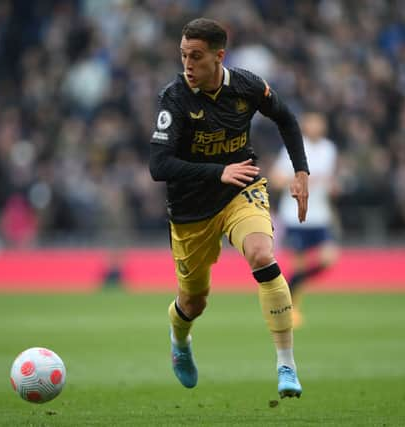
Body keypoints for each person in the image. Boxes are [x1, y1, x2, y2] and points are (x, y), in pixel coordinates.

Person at [149, 18, 309, 398]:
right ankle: (179, 339)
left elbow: (285, 117)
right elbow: (158, 166)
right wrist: (218, 171)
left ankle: (286, 364)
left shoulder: (247, 86)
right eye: (184, 55)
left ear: (219, 56)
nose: (188, 64)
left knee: (261, 253)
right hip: (191, 209)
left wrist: (301, 170)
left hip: (242, 188)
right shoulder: (174, 98)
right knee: (194, 300)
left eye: (197, 56)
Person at [270, 112, 340, 328]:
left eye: (320, 122)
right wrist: (300, 180)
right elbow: (276, 178)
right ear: (305, 127)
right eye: (312, 123)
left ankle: (289, 289)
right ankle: (292, 310)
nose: (316, 127)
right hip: (296, 215)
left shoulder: (329, 149)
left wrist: (332, 188)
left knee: (329, 258)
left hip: (320, 215)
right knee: (298, 265)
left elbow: (329, 180)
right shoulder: (292, 148)